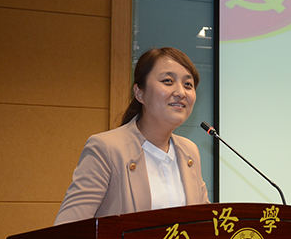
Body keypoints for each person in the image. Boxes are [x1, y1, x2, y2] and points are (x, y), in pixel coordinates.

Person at [54, 47, 209, 226]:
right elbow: (67, 228)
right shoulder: (107, 149)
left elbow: (206, 224)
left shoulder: (189, 151)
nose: (181, 92)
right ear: (139, 93)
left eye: (188, 84)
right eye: (168, 81)